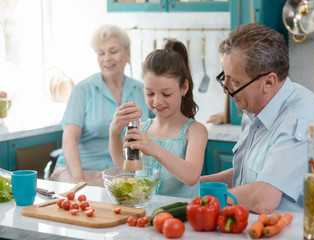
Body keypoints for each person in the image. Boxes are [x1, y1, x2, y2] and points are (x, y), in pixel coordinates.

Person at [200, 23, 314, 216]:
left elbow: (262, 199)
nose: (226, 88)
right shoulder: (255, 107)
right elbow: (248, 178)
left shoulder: (300, 117)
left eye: (235, 81)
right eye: (225, 76)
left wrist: (205, 197)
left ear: (268, 82)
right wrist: (192, 185)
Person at [50, 25, 153, 187]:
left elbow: (158, 129)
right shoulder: (83, 89)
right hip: (79, 169)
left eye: (113, 51)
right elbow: (70, 139)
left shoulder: (142, 91)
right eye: (101, 53)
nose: (107, 58)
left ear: (128, 54)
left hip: (123, 172)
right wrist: (78, 181)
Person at [109, 40, 208, 198]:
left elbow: (191, 176)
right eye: (150, 93)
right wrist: (114, 133)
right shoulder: (142, 129)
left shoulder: (195, 131)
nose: (157, 101)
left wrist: (153, 148)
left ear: (184, 88)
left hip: (182, 217)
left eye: (166, 94)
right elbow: (124, 167)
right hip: (145, 213)